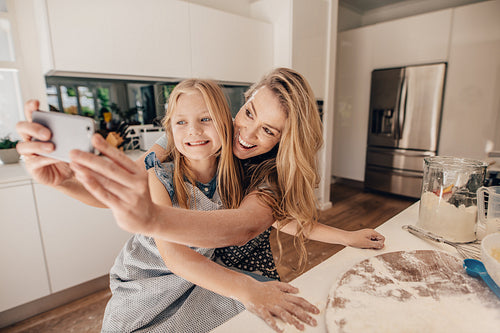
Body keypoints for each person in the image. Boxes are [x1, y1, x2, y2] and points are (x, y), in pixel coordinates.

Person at [17, 68, 384, 330]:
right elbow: (128, 197)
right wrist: (65, 182)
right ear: (237, 108)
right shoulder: (169, 160)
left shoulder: (252, 171)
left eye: (269, 130)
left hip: (208, 274)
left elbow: (260, 221)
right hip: (151, 277)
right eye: (249, 114)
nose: (248, 133)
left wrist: (344, 237)